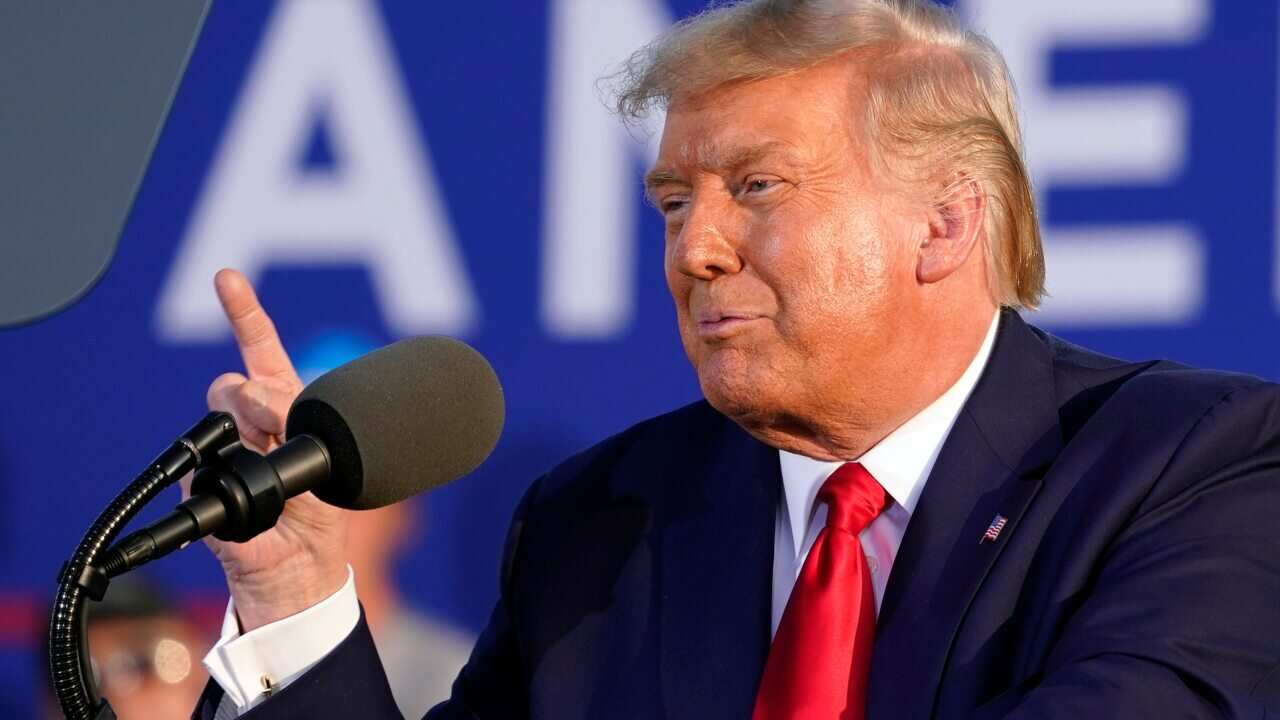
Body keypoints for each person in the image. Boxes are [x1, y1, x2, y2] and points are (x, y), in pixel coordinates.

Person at [192, 0, 1280, 718]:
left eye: (755, 189)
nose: (691, 251)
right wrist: (294, 594)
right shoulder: (598, 524)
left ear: (944, 226)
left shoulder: (1191, 470)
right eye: (673, 202)